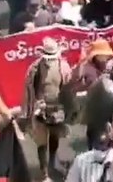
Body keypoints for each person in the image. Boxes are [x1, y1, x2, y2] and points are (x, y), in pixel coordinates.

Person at [23, 37, 74, 180]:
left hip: (57, 109)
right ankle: (44, 172)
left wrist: (68, 108)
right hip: (40, 108)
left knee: (55, 136)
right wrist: (30, 110)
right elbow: (28, 90)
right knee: (41, 142)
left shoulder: (64, 67)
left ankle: (53, 162)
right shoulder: (34, 69)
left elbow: (68, 89)